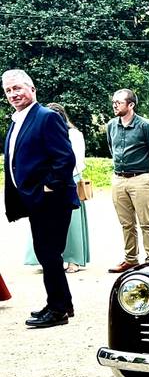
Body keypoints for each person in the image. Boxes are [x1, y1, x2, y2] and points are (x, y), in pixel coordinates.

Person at [2, 69, 77, 328]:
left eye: (18, 88)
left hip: (51, 200)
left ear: (32, 89)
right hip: (34, 201)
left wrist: (48, 187)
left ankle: (58, 311)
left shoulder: (46, 117)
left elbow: (65, 158)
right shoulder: (17, 120)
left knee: (49, 253)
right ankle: (60, 303)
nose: (13, 94)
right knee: (46, 253)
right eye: (8, 90)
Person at [107, 88, 149, 273]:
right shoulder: (111, 125)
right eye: (114, 102)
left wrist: (148, 173)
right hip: (118, 179)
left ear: (131, 105)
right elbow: (112, 148)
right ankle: (130, 259)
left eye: (119, 102)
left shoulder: (145, 126)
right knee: (126, 223)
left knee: (146, 222)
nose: (115, 105)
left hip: (141, 178)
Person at [24, 103, 89, 272]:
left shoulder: (74, 134)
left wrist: (59, 175)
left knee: (71, 224)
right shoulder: (40, 132)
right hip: (43, 181)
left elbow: (76, 160)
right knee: (42, 223)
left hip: (69, 179)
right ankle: (47, 259)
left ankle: (73, 259)